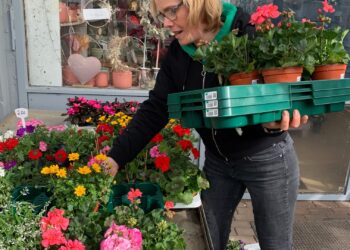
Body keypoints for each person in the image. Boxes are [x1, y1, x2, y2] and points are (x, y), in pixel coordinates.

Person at [104, 1, 308, 249]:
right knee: (209, 240)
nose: (166, 23)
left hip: (268, 160)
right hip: (218, 163)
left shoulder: (248, 32)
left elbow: (285, 90)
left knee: (275, 244)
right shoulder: (179, 53)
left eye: (171, 10)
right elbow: (157, 108)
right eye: (161, 15)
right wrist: (115, 158)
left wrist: (280, 118)